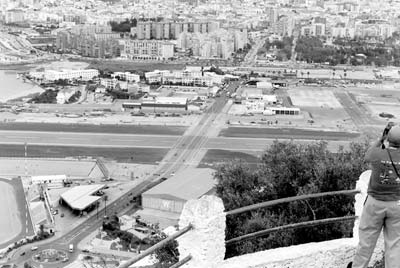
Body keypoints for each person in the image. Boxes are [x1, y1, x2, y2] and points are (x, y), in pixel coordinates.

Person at [348, 123, 400, 268]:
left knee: (366, 242)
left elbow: (367, 155)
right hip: (397, 204)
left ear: (388, 139)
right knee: (395, 245)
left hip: (374, 203)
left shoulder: (377, 154)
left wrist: (381, 138)